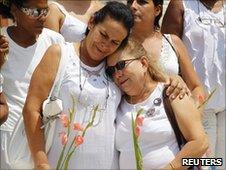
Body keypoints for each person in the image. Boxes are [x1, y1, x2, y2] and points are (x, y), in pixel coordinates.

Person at [23, 2, 134, 169]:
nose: (106, 45)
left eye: (114, 42)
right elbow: (31, 109)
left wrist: (175, 80)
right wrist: (41, 162)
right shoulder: (60, 54)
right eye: (103, 35)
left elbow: (148, 84)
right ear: (91, 22)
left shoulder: (117, 69)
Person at [106, 39, 208, 169]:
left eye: (121, 65)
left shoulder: (171, 92)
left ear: (143, 63)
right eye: (111, 71)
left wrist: (171, 168)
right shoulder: (116, 104)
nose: (117, 74)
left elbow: (200, 142)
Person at [0, 0, 64, 168]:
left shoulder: (56, 42)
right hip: (7, 139)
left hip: (43, 139)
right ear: (14, 9)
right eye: (34, 12)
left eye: (45, 11)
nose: (42, 18)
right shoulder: (1, 41)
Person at [161, 0, 225, 160]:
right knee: (205, 164)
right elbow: (166, 51)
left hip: (225, 108)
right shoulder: (181, 4)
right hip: (197, 107)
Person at [127, 0, 206, 104]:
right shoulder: (118, 44)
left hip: (173, 117)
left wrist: (193, 114)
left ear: (157, 10)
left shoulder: (173, 42)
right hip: (133, 117)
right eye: (130, 1)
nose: (133, 6)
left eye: (142, 2)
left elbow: (196, 87)